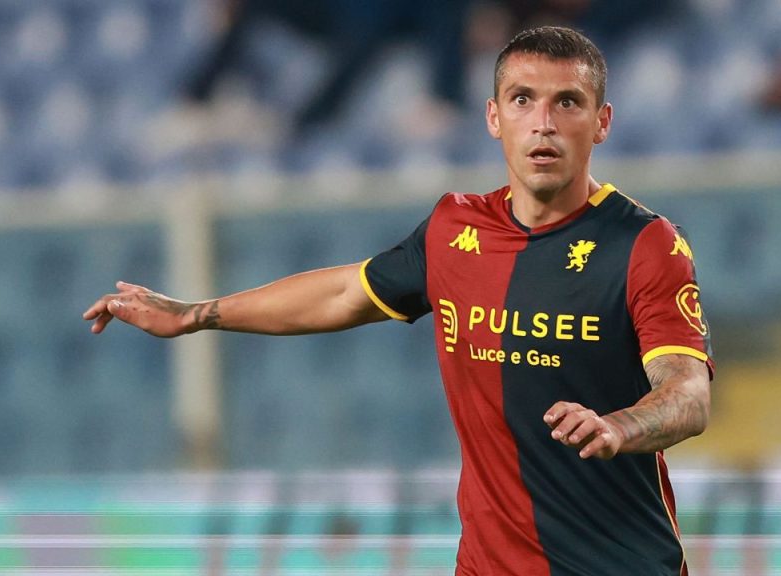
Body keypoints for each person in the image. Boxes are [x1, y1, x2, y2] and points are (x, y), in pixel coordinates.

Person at [85, 26, 713, 575]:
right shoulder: (454, 230)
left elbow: (687, 393)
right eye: (523, 100)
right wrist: (195, 314)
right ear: (494, 117)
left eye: (567, 102)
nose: (543, 122)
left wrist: (618, 425)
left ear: (602, 122)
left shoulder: (645, 244)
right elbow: (342, 293)